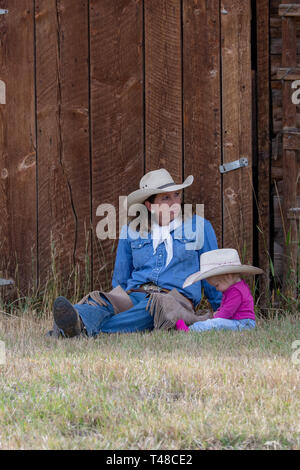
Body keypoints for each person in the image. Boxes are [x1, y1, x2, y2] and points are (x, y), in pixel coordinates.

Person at [50, 168, 222, 338]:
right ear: (149, 205)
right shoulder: (131, 231)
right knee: (98, 301)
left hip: (173, 300)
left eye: (176, 195)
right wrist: (116, 303)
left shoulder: (199, 226)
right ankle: (77, 319)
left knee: (156, 307)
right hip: (136, 294)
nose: (174, 202)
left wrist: (220, 309)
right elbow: (121, 279)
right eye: (166, 198)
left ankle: (85, 330)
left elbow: (211, 273)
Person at [176, 248, 263, 333]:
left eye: (217, 285)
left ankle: (191, 330)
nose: (217, 289)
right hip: (238, 322)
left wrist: (217, 316)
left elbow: (227, 312)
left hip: (244, 324)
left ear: (228, 276)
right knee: (217, 322)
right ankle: (195, 327)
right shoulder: (233, 288)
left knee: (218, 323)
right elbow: (226, 306)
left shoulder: (236, 291)